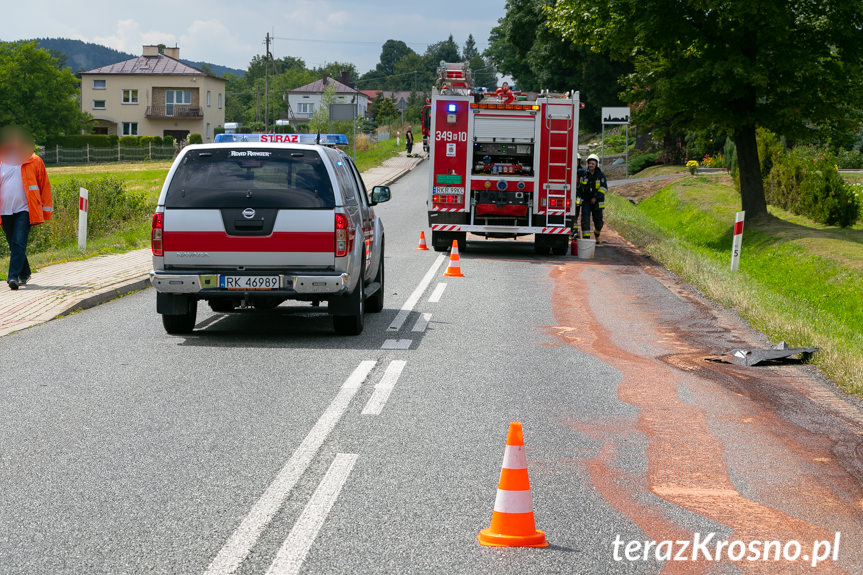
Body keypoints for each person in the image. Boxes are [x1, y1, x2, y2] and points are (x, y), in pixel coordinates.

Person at [0, 126, 53, 290]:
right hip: (5, 210)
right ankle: (25, 272)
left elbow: (44, 186)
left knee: (18, 241)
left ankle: (13, 277)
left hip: (26, 209)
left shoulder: (34, 161)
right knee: (13, 243)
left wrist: (46, 211)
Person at [575, 153, 607, 243]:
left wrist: (595, 197)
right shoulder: (583, 174)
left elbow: (604, 188)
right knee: (585, 219)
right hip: (586, 200)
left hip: (597, 201)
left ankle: (597, 235)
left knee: (598, 222)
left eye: (592, 163)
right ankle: (586, 240)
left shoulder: (600, 175)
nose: (590, 165)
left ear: (596, 164)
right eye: (589, 163)